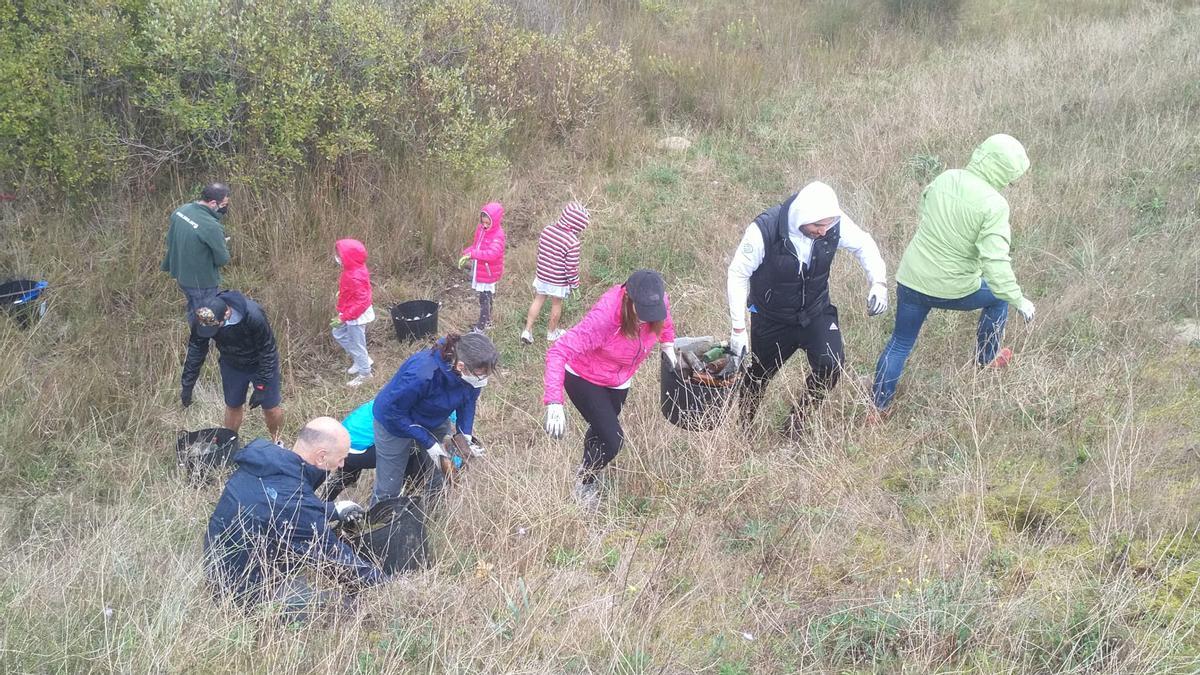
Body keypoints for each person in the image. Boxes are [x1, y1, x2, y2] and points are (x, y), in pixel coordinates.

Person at [870, 134, 1036, 416]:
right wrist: (1019, 299)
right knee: (998, 299)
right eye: (1012, 178)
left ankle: (876, 409)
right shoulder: (995, 205)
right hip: (953, 288)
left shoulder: (947, 177)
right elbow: (995, 262)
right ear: (1003, 172)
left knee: (900, 342)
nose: (1011, 184)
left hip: (911, 278)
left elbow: (924, 206)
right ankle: (986, 358)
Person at [727, 181, 888, 434]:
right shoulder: (765, 230)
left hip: (815, 312)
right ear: (803, 217)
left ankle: (797, 422)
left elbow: (863, 244)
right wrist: (738, 329)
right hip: (772, 318)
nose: (824, 232)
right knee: (758, 376)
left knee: (831, 365)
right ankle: (744, 428)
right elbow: (737, 274)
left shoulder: (832, 224)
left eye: (828, 225)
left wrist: (878, 282)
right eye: (817, 226)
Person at [203, 416, 383, 614]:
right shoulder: (293, 505)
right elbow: (338, 561)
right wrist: (387, 584)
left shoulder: (265, 465)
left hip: (218, 569)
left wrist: (333, 510)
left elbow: (274, 509)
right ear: (321, 456)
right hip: (243, 594)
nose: (341, 465)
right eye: (340, 458)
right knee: (339, 605)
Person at [542, 269, 677, 508]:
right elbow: (558, 351)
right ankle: (584, 483)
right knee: (613, 440)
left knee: (601, 430)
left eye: (651, 314)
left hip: (620, 379)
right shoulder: (605, 317)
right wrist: (554, 401)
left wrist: (668, 346)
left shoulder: (658, 302)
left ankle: (588, 466)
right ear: (629, 299)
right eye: (642, 313)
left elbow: (664, 323)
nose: (646, 320)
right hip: (584, 377)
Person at [371, 332, 498, 505]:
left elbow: (468, 401)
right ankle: (381, 523)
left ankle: (431, 512)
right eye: (481, 375)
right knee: (389, 486)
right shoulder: (422, 373)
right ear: (461, 366)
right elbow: (393, 412)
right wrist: (429, 442)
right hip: (394, 422)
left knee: (441, 472)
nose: (484, 379)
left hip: (434, 418)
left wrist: (464, 436)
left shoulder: (473, 374)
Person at [182, 291, 284, 442]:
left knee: (270, 408)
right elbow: (196, 350)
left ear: (227, 313)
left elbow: (268, 351)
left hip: (260, 363)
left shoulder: (253, 315)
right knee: (233, 405)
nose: (213, 333)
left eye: (216, 327)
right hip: (232, 364)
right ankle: (228, 443)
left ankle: (278, 441)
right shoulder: (203, 318)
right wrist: (187, 385)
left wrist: (261, 386)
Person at [321, 400, 462, 501]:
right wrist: (457, 461)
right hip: (363, 450)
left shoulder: (401, 397)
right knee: (412, 452)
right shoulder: (439, 408)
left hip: (343, 446)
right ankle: (401, 498)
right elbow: (444, 440)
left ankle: (323, 504)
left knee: (347, 473)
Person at [522, 202, 590, 345]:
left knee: (538, 299)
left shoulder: (547, 230)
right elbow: (571, 268)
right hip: (558, 280)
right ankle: (552, 333)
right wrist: (575, 285)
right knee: (556, 304)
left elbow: (540, 252)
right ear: (578, 225)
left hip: (542, 275)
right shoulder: (572, 242)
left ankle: (527, 331)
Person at [161, 182, 233, 315]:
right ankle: (201, 336)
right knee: (206, 317)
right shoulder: (212, 226)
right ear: (212, 203)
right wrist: (221, 243)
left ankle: (195, 327)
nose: (225, 209)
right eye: (223, 205)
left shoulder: (181, 210)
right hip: (202, 282)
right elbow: (222, 259)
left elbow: (170, 239)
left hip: (182, 274)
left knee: (194, 306)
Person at [330, 239, 376, 388]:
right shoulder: (352, 269)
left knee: (358, 344)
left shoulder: (355, 275)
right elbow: (354, 292)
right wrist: (343, 295)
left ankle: (365, 373)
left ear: (348, 257)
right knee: (338, 333)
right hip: (349, 312)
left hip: (356, 316)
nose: (337, 257)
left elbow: (361, 302)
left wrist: (344, 317)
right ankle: (361, 360)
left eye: (340, 255)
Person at [458, 202, 507, 331]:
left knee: (484, 298)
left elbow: (492, 254)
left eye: (488, 223)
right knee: (487, 296)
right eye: (483, 222)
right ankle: (488, 322)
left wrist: (473, 254)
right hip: (482, 269)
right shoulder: (481, 229)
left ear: (495, 221)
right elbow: (476, 246)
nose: (485, 225)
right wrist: (468, 252)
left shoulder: (498, 235)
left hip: (489, 272)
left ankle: (481, 327)